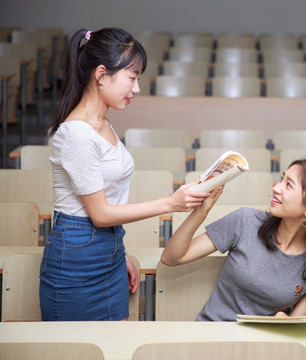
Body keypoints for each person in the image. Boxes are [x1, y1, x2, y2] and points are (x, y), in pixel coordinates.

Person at [40, 28, 210, 321]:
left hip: (109, 250)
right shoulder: (76, 134)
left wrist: (120, 252)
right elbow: (100, 214)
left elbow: (108, 205)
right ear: (101, 74)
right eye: (132, 78)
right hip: (77, 261)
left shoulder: (103, 123)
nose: (137, 89)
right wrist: (171, 203)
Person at [161, 157, 306, 321]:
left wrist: (287, 322)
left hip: (262, 346)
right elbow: (171, 258)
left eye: (288, 185)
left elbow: (294, 324)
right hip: (214, 334)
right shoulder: (245, 221)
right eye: (282, 179)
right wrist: (201, 211)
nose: (276, 187)